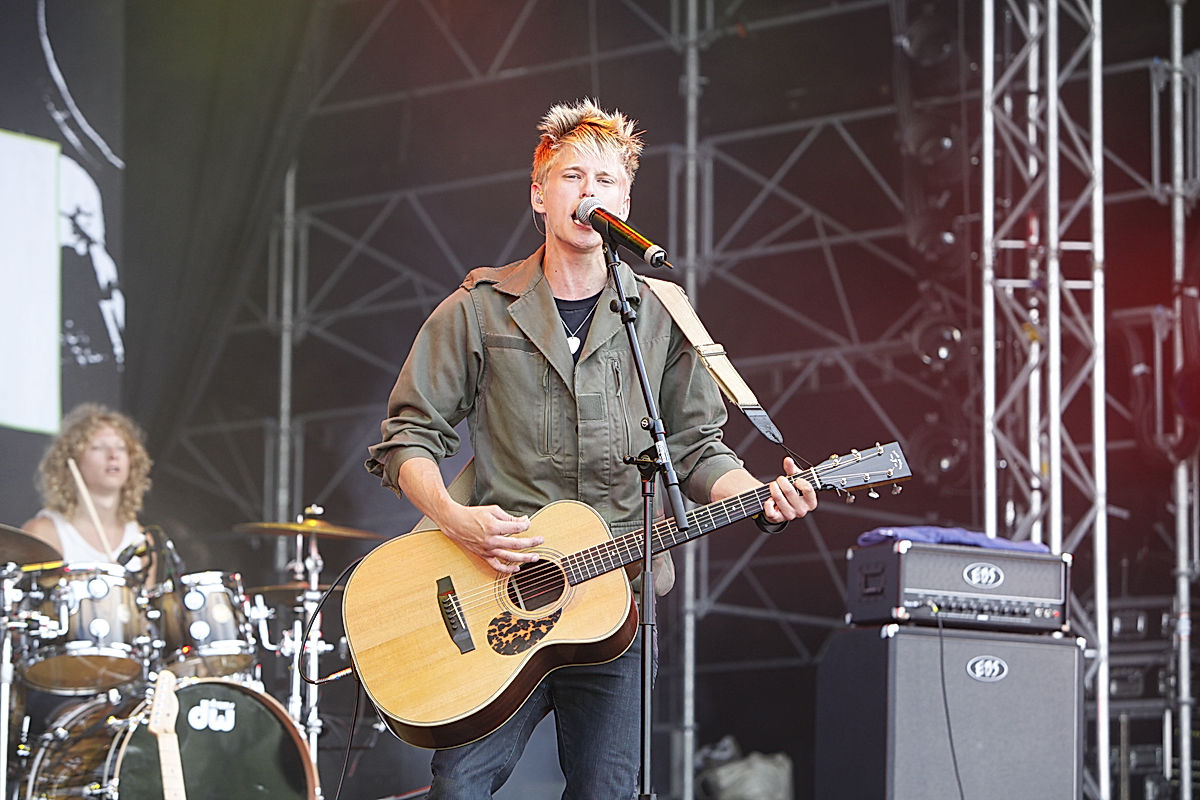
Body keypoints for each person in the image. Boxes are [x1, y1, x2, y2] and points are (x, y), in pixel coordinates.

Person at [365, 98, 817, 799]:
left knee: (609, 791)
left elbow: (697, 450)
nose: (590, 193)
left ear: (625, 200)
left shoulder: (663, 313)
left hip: (618, 602)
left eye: (606, 181)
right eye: (573, 177)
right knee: (459, 787)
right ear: (539, 193)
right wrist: (459, 522)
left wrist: (761, 499)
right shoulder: (480, 308)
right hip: (494, 592)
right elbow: (407, 438)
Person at [22, 403, 155, 575]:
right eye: (98, 447)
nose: (113, 455)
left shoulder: (141, 542)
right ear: (72, 462)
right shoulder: (45, 533)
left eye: (121, 448)